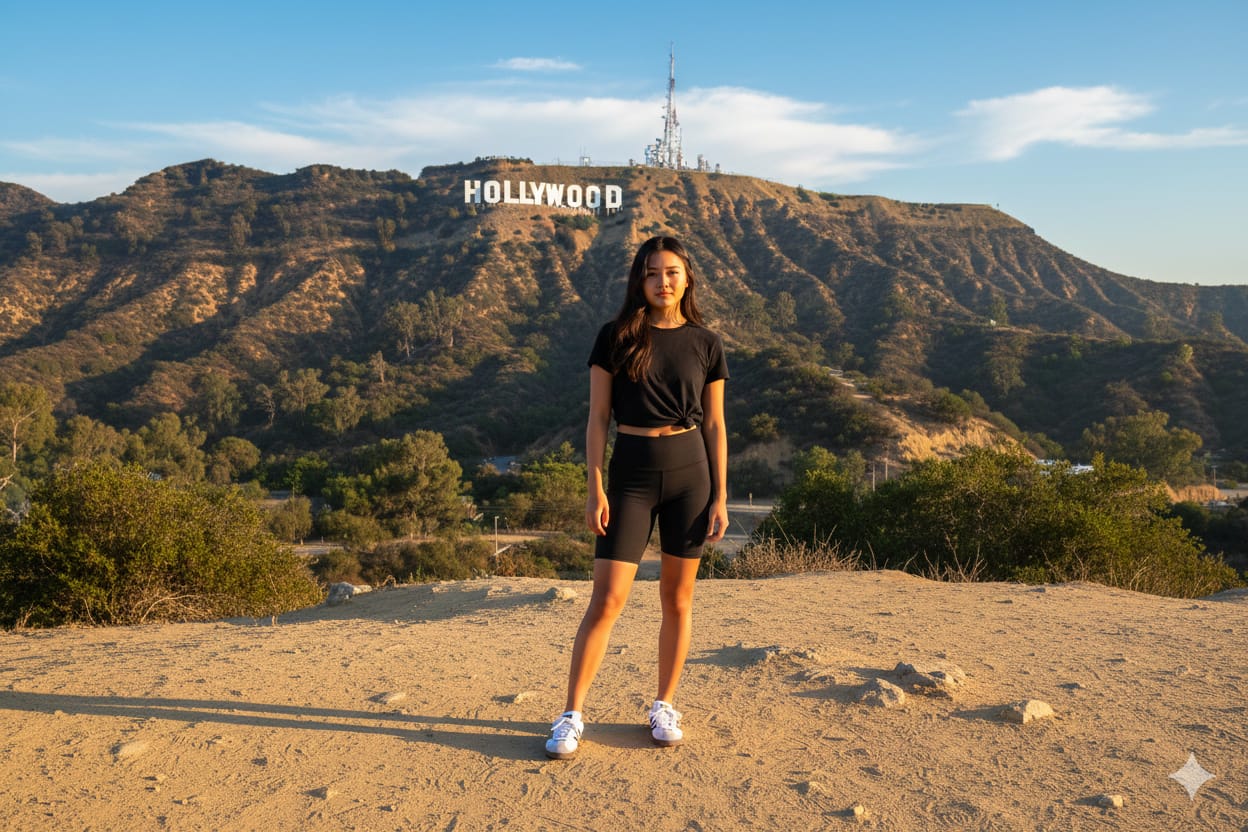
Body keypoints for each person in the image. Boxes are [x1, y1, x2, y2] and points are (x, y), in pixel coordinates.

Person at [545, 236, 729, 760]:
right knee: (607, 599)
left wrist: (720, 494)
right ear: (639, 281)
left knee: (678, 599)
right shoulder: (615, 336)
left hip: (690, 471)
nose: (662, 282)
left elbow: (715, 424)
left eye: (672, 272)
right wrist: (594, 484)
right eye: (652, 274)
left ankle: (664, 704)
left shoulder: (707, 342)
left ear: (687, 278)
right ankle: (571, 715)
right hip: (630, 474)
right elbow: (598, 417)